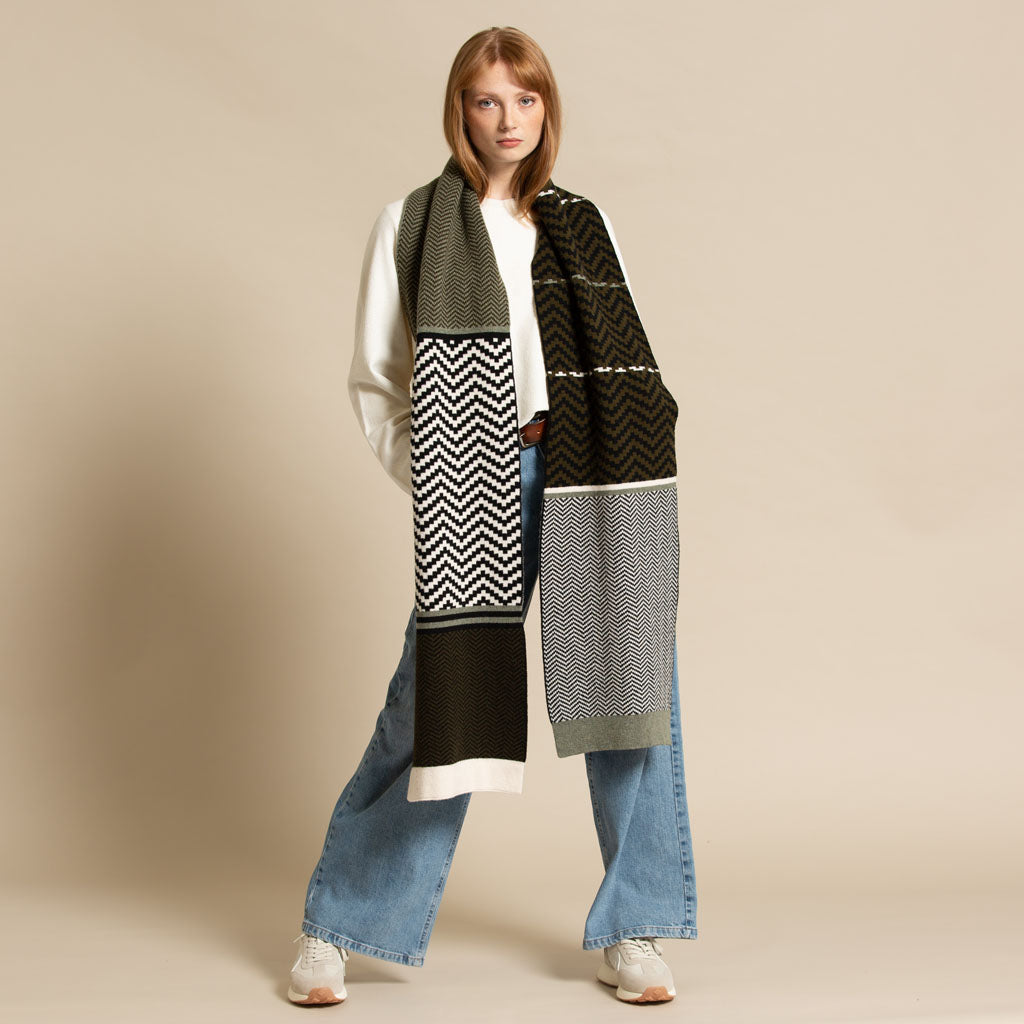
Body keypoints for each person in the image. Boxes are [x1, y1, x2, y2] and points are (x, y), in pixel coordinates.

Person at [286, 25, 698, 1007]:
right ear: (460, 111)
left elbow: (630, 356)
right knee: (435, 699)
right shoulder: (412, 224)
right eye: (487, 100)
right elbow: (377, 382)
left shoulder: (584, 223)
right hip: (481, 475)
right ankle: (336, 927)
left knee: (634, 691)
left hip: (594, 470)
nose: (508, 119)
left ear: (546, 109)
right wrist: (440, 479)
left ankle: (634, 928)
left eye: (526, 98)